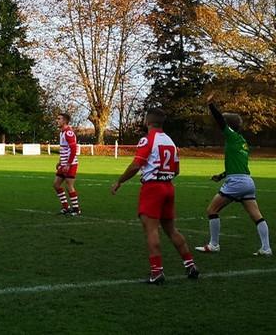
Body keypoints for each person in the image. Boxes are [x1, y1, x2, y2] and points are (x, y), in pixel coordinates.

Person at [111, 108, 199, 284]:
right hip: (168, 187)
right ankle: (190, 265)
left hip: (153, 188)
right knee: (171, 229)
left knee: (151, 230)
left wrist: (120, 181)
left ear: (147, 121)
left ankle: (157, 272)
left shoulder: (147, 140)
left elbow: (137, 165)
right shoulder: (170, 141)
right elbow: (177, 170)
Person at [195, 97, 271, 256]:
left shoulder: (231, 136)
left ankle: (214, 245)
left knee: (211, 210)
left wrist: (210, 105)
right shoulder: (243, 141)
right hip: (247, 181)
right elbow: (238, 165)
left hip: (236, 182)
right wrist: (221, 175)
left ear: (228, 126)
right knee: (257, 216)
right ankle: (266, 248)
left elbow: (220, 120)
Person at [53, 113, 81, 216]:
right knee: (56, 185)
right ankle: (66, 207)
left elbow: (73, 149)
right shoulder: (62, 133)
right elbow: (64, 149)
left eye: (59, 119)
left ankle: (76, 209)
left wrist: (68, 164)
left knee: (69, 185)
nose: (57, 120)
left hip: (71, 164)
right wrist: (60, 162)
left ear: (64, 121)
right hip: (64, 164)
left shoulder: (68, 133)